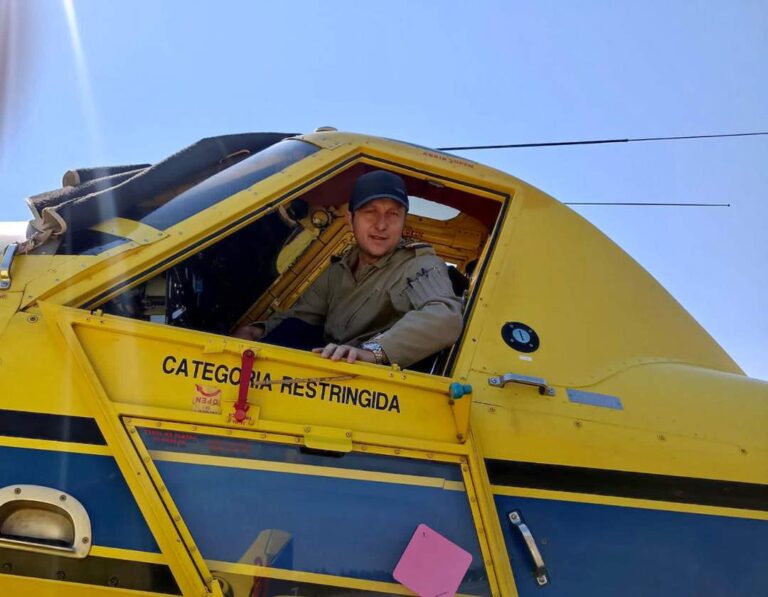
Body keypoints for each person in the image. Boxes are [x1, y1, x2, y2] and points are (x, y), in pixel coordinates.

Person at [234, 170, 463, 368]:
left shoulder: (418, 264)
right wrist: (259, 332)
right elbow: (303, 316)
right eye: (370, 212)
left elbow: (444, 318)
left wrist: (374, 352)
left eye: (393, 214)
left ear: (403, 221)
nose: (381, 225)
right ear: (350, 219)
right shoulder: (341, 268)